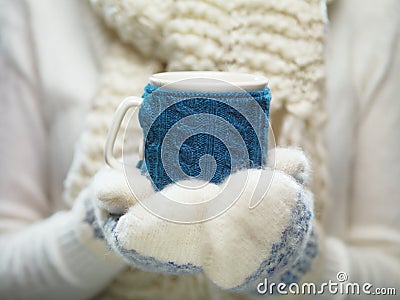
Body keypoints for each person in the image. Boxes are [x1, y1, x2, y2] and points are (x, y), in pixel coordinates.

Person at [0, 0, 399, 299]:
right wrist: (99, 229)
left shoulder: (372, 14)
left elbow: (389, 280)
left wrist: (292, 263)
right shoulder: (39, 9)